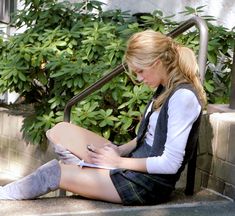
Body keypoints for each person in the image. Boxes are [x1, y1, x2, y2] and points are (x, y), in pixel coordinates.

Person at [0, 30, 207, 205]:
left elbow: (169, 164)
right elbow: (146, 137)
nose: (139, 79)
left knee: (51, 173)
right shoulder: (164, 88)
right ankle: (86, 175)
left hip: (146, 185)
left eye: (141, 71)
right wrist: (119, 151)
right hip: (132, 162)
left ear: (159, 62)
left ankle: (7, 194)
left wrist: (118, 162)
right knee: (60, 131)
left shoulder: (183, 98)